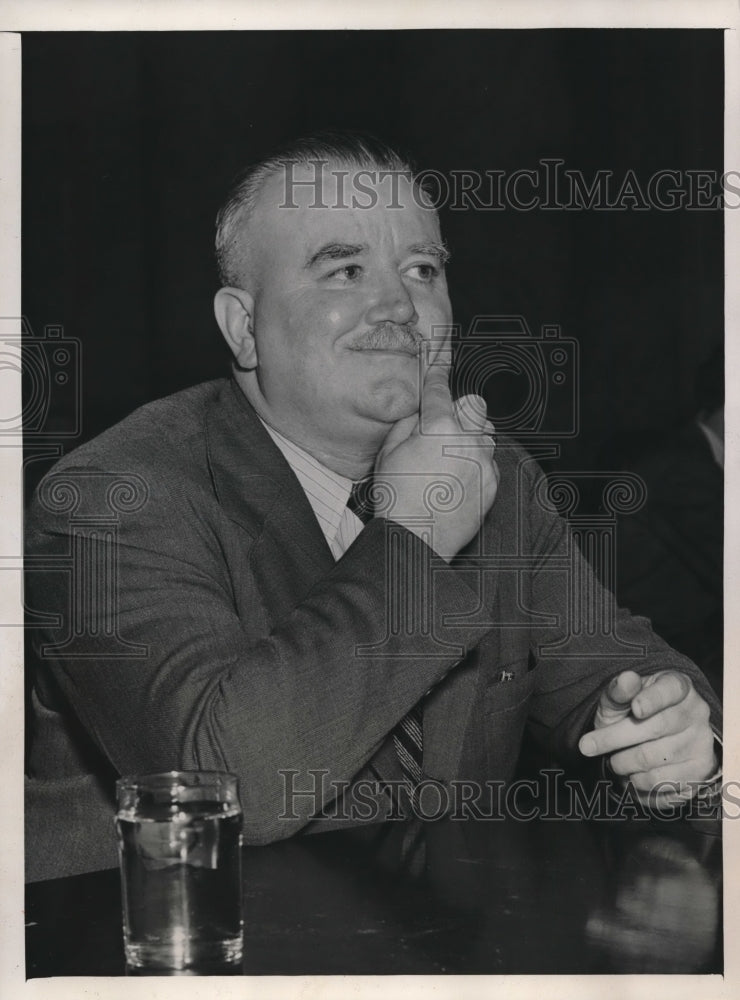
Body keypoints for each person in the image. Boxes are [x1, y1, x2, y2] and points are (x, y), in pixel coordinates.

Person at [24, 134, 721, 882]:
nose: (399, 306)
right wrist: (414, 536)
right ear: (243, 325)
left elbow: (617, 671)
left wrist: (674, 733)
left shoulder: (496, 474)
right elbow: (224, 791)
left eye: (422, 270)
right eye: (344, 270)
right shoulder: (110, 495)